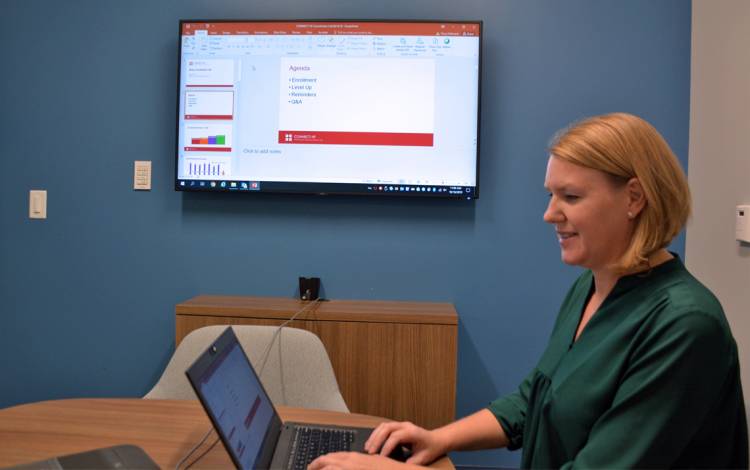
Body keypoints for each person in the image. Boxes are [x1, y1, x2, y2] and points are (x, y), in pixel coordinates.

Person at [309, 113, 748, 469]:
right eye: (551, 194)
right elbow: (533, 399)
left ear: (634, 198)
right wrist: (437, 438)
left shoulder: (685, 327)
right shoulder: (592, 286)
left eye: (570, 197)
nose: (549, 214)